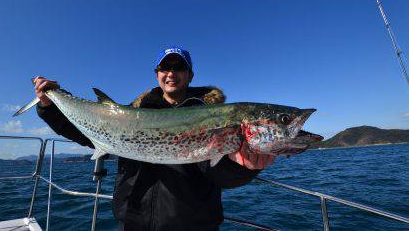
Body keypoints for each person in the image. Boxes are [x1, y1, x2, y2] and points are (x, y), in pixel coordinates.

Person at [34, 46, 275, 231]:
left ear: (190, 75)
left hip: (193, 225)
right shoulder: (131, 113)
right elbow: (82, 133)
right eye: (165, 68)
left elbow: (219, 174)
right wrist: (50, 105)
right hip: (133, 221)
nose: (171, 73)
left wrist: (244, 169)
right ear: (157, 74)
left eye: (179, 68)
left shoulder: (214, 117)